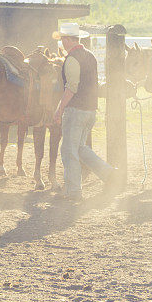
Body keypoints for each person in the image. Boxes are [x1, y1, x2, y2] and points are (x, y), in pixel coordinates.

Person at [52, 23, 119, 198]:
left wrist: (59, 109)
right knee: (80, 148)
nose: (61, 43)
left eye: (62, 39)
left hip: (76, 111)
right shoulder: (90, 56)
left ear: (67, 40)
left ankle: (73, 191)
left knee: (68, 151)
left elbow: (71, 87)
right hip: (90, 110)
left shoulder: (72, 59)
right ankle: (109, 174)